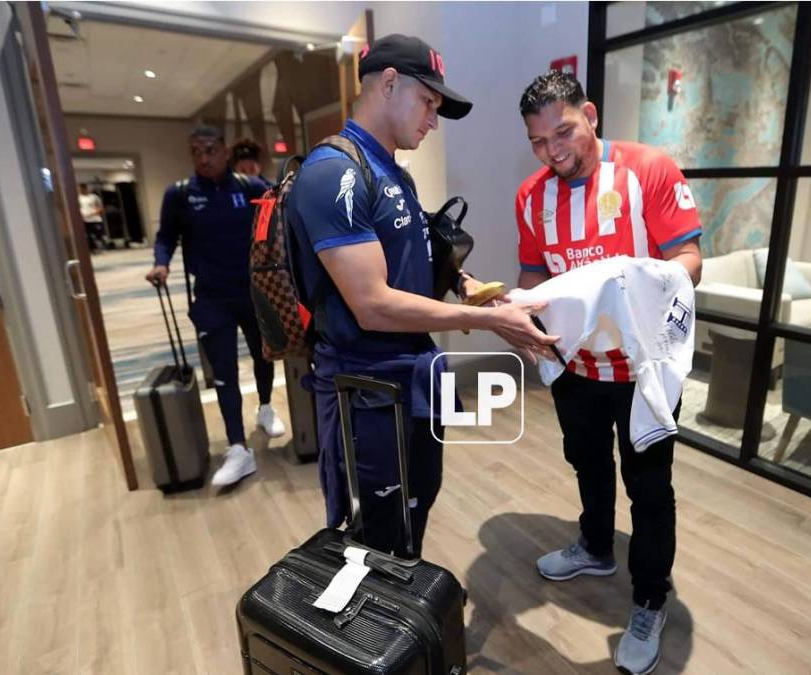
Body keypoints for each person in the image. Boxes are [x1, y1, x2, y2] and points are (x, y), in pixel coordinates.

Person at [287, 34, 559, 557]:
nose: (433, 120)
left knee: (418, 501)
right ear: (389, 84)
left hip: (412, 374)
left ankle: (407, 608)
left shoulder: (394, 173)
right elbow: (372, 303)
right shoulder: (333, 174)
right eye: (428, 102)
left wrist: (465, 283)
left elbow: (417, 256)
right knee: (378, 530)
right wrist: (489, 325)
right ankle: (376, 628)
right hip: (365, 390)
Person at [513, 70, 702, 675]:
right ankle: (595, 546)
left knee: (649, 489)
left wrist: (630, 286)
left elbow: (690, 262)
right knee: (586, 463)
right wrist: (518, 314)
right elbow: (531, 278)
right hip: (576, 369)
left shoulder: (649, 169)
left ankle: (649, 598)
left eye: (563, 131)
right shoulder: (530, 197)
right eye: (539, 142)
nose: (553, 150)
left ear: (590, 114)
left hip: (642, 372)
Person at [145, 126, 285, 488]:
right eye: (196, 152)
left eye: (210, 150)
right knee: (223, 372)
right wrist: (162, 263)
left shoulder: (248, 187)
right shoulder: (179, 195)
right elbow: (166, 237)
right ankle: (238, 448)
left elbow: (280, 213)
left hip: (254, 291)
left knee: (263, 355)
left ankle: (265, 407)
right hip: (211, 296)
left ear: (225, 151)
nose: (203, 158)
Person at [78, 182, 106, 252]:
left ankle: (102, 247)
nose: (80, 191)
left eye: (81, 189)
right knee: (88, 235)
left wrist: (93, 213)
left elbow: (100, 208)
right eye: (79, 189)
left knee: (98, 235)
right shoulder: (78, 198)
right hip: (85, 220)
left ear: (85, 188)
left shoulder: (94, 197)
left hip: (95, 219)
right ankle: (93, 249)